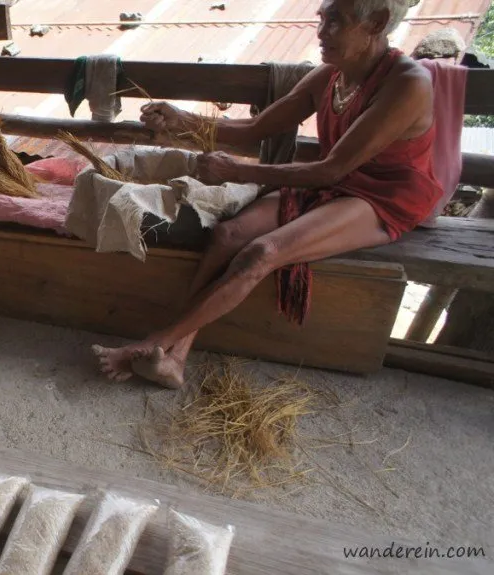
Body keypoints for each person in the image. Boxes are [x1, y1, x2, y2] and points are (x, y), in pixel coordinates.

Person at [92, 0, 443, 388]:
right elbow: (255, 129)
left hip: (380, 199)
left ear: (375, 23)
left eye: (336, 22)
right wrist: (182, 119)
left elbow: (331, 168)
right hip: (330, 183)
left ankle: (157, 342)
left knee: (263, 252)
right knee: (227, 234)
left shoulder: (407, 84)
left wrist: (237, 170)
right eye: (322, 19)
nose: (322, 31)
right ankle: (174, 357)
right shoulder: (331, 75)